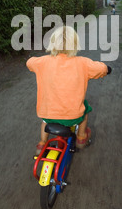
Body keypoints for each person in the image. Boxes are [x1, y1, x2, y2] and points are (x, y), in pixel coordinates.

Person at [26, 25, 112, 155]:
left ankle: (42, 143)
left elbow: (29, 62)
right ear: (75, 44)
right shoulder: (83, 63)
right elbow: (101, 69)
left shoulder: (42, 62)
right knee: (85, 110)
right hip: (73, 116)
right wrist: (107, 69)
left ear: (52, 43)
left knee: (44, 121)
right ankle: (81, 137)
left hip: (48, 115)